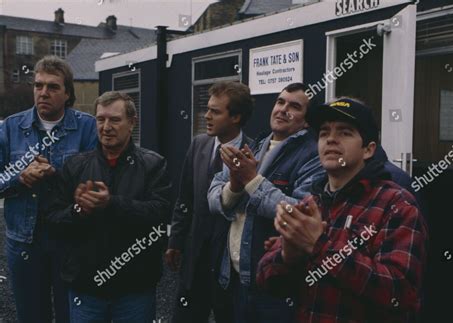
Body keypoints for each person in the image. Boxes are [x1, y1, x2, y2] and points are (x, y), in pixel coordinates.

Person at [257, 97, 429, 322]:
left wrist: (319, 246)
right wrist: (288, 256)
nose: (330, 139)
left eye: (345, 132)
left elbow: (400, 293)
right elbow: (267, 282)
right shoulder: (311, 204)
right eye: (324, 132)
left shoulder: (396, 204)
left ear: (368, 150)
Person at [46, 91, 172, 322]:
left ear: (132, 123)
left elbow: (160, 214)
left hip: (135, 288)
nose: (106, 127)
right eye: (100, 119)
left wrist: (112, 203)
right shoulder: (75, 166)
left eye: (115, 119)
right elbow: (52, 218)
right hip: (86, 287)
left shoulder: (153, 165)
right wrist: (78, 211)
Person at [208, 83, 325, 322]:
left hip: (275, 285)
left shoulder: (313, 155)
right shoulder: (258, 145)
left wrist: (251, 180)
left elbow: (299, 213)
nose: (283, 109)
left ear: (306, 120)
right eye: (280, 102)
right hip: (236, 278)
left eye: (294, 106)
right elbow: (212, 196)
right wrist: (235, 186)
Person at [0, 56, 97, 322]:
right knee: (31, 316)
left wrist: (55, 175)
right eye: (38, 85)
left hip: (71, 240)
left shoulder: (87, 126)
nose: (43, 92)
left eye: (53, 87)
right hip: (24, 242)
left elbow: (98, 180)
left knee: (73, 315)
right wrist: (20, 177)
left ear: (67, 93)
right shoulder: (11, 127)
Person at [166, 81, 254, 323]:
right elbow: (184, 198)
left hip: (229, 266)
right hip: (195, 260)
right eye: (208, 109)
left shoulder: (253, 155)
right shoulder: (199, 145)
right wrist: (175, 241)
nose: (206, 115)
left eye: (215, 111)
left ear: (236, 117)